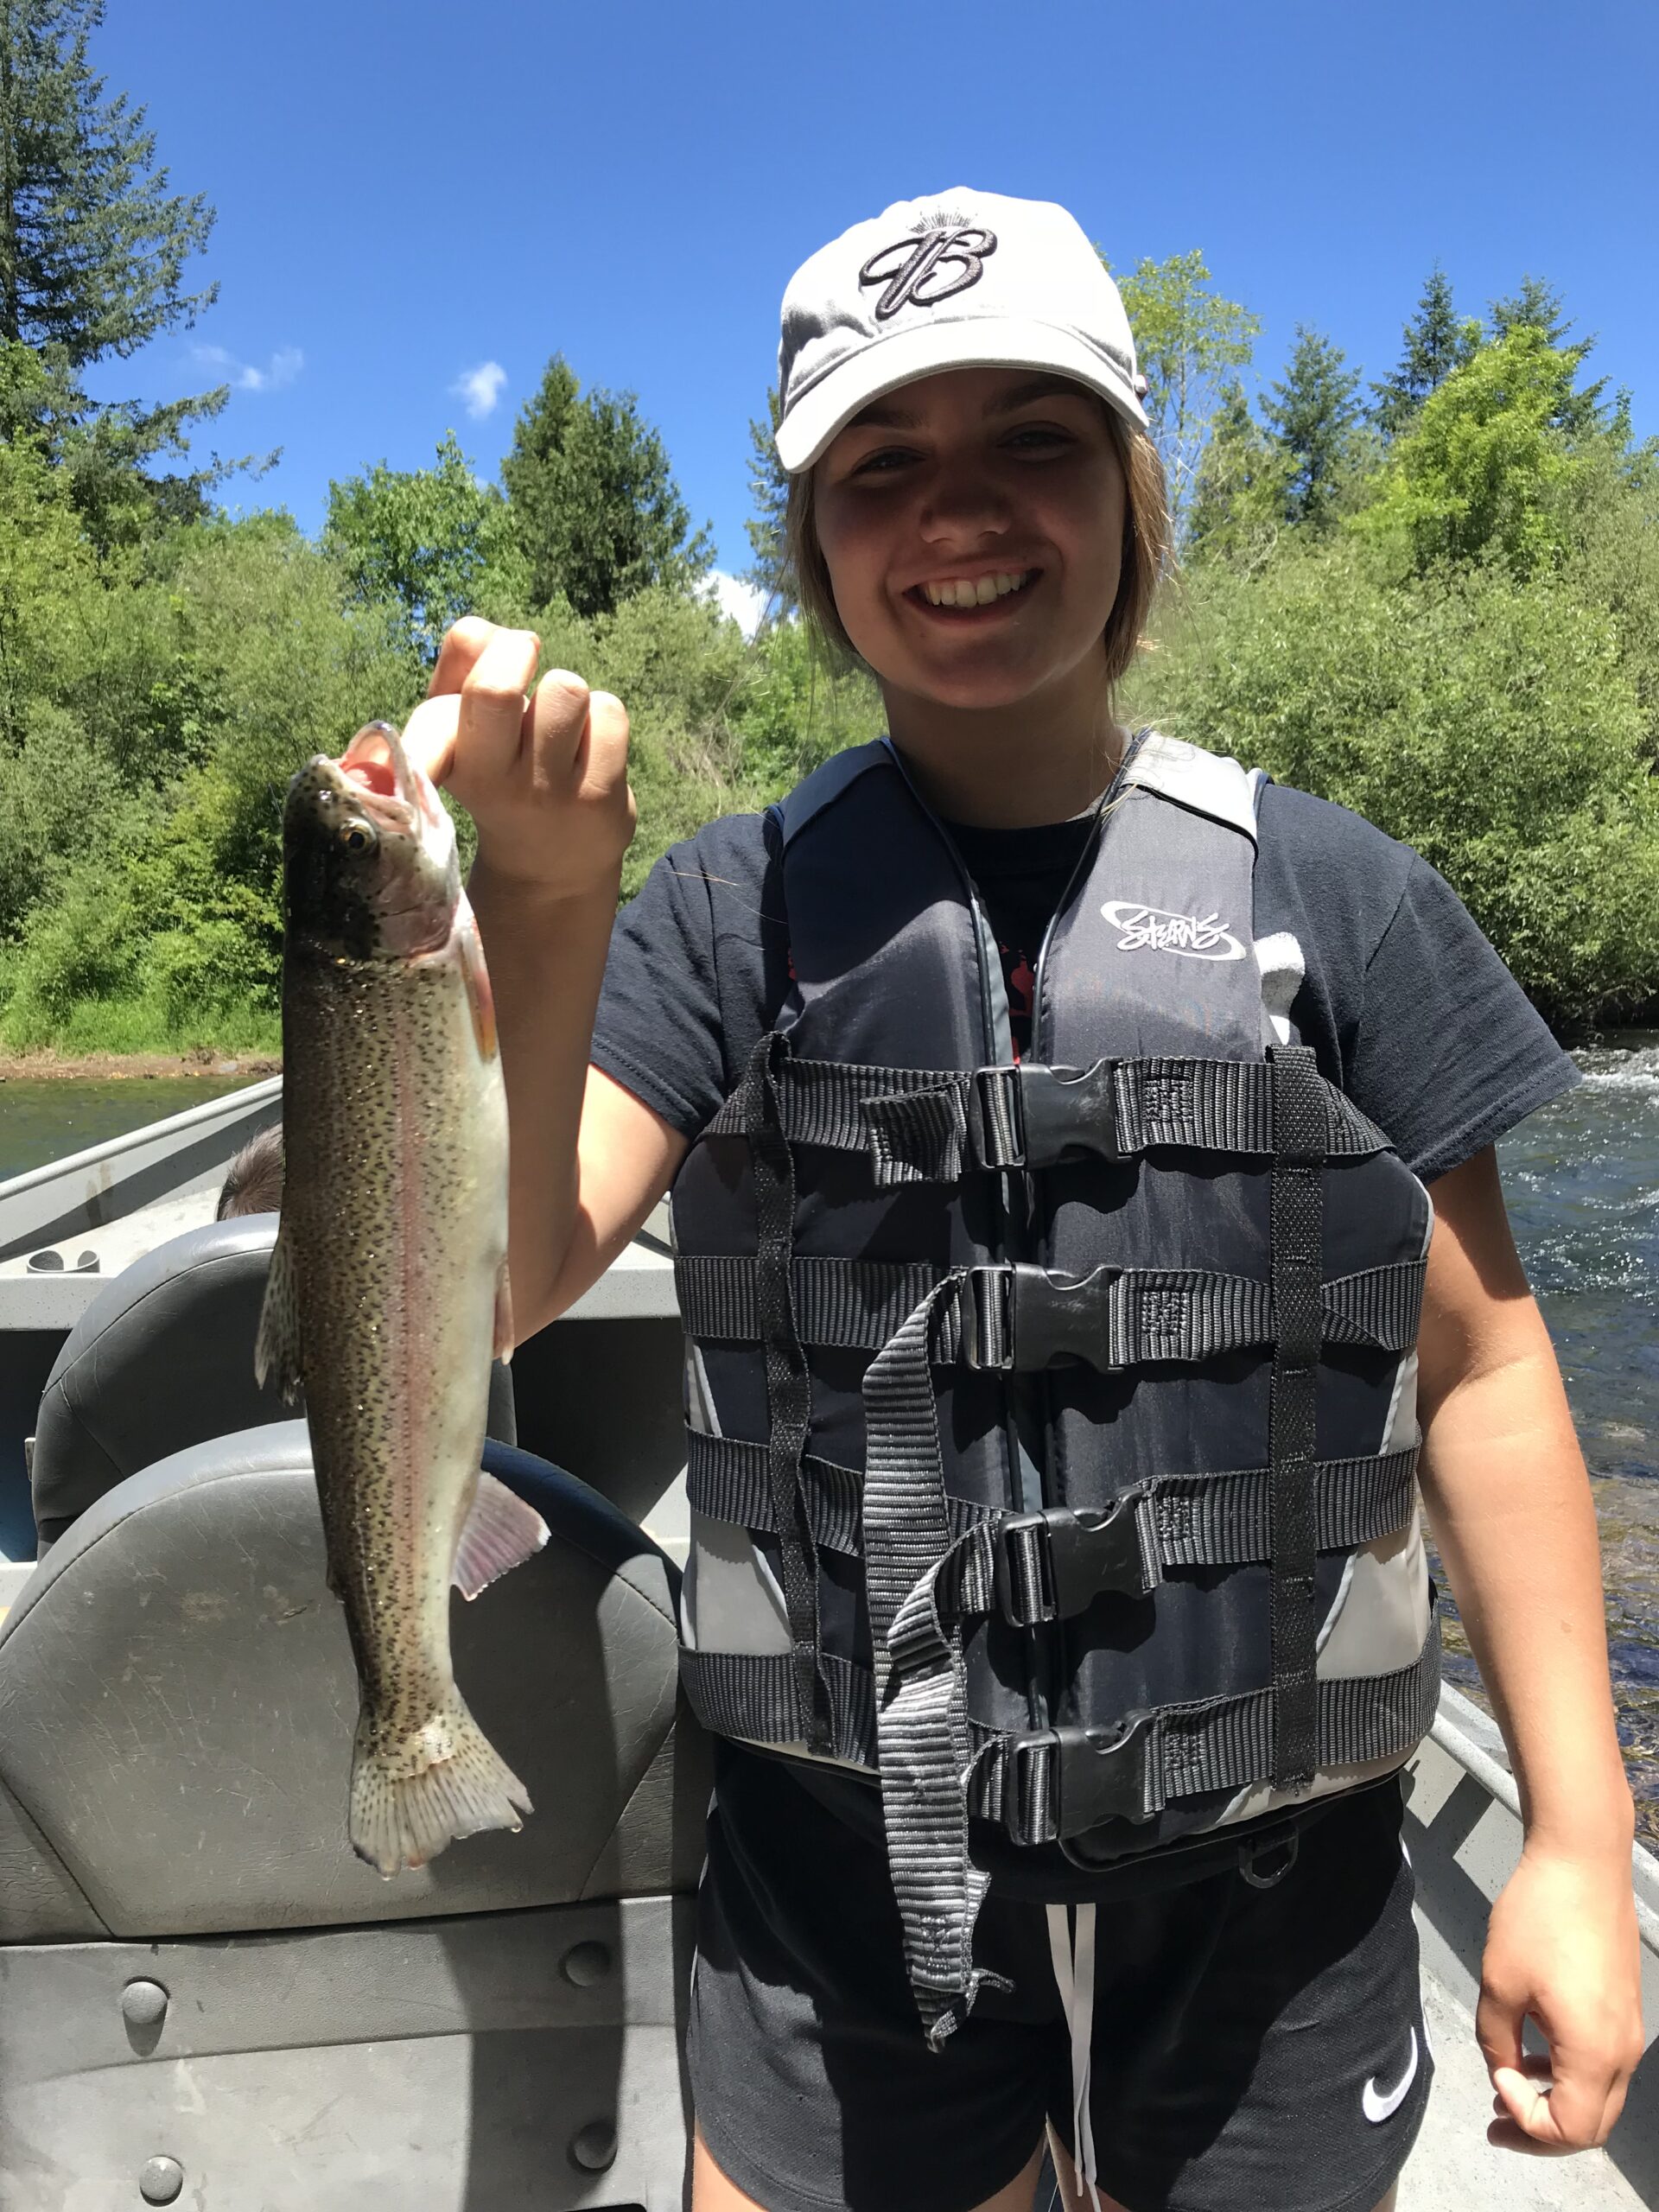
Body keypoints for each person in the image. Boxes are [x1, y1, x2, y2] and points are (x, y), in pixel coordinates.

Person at [401, 189, 1643, 2212]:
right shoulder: (729, 917)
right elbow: (513, 1282)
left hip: (1276, 1917)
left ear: (1137, 497)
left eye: (1033, 442)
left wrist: (1579, 1838)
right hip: (836, 1891)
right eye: (881, 466)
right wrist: (548, 900)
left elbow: (1491, 1367)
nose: (959, 513)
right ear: (813, 551)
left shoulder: (1337, 896)